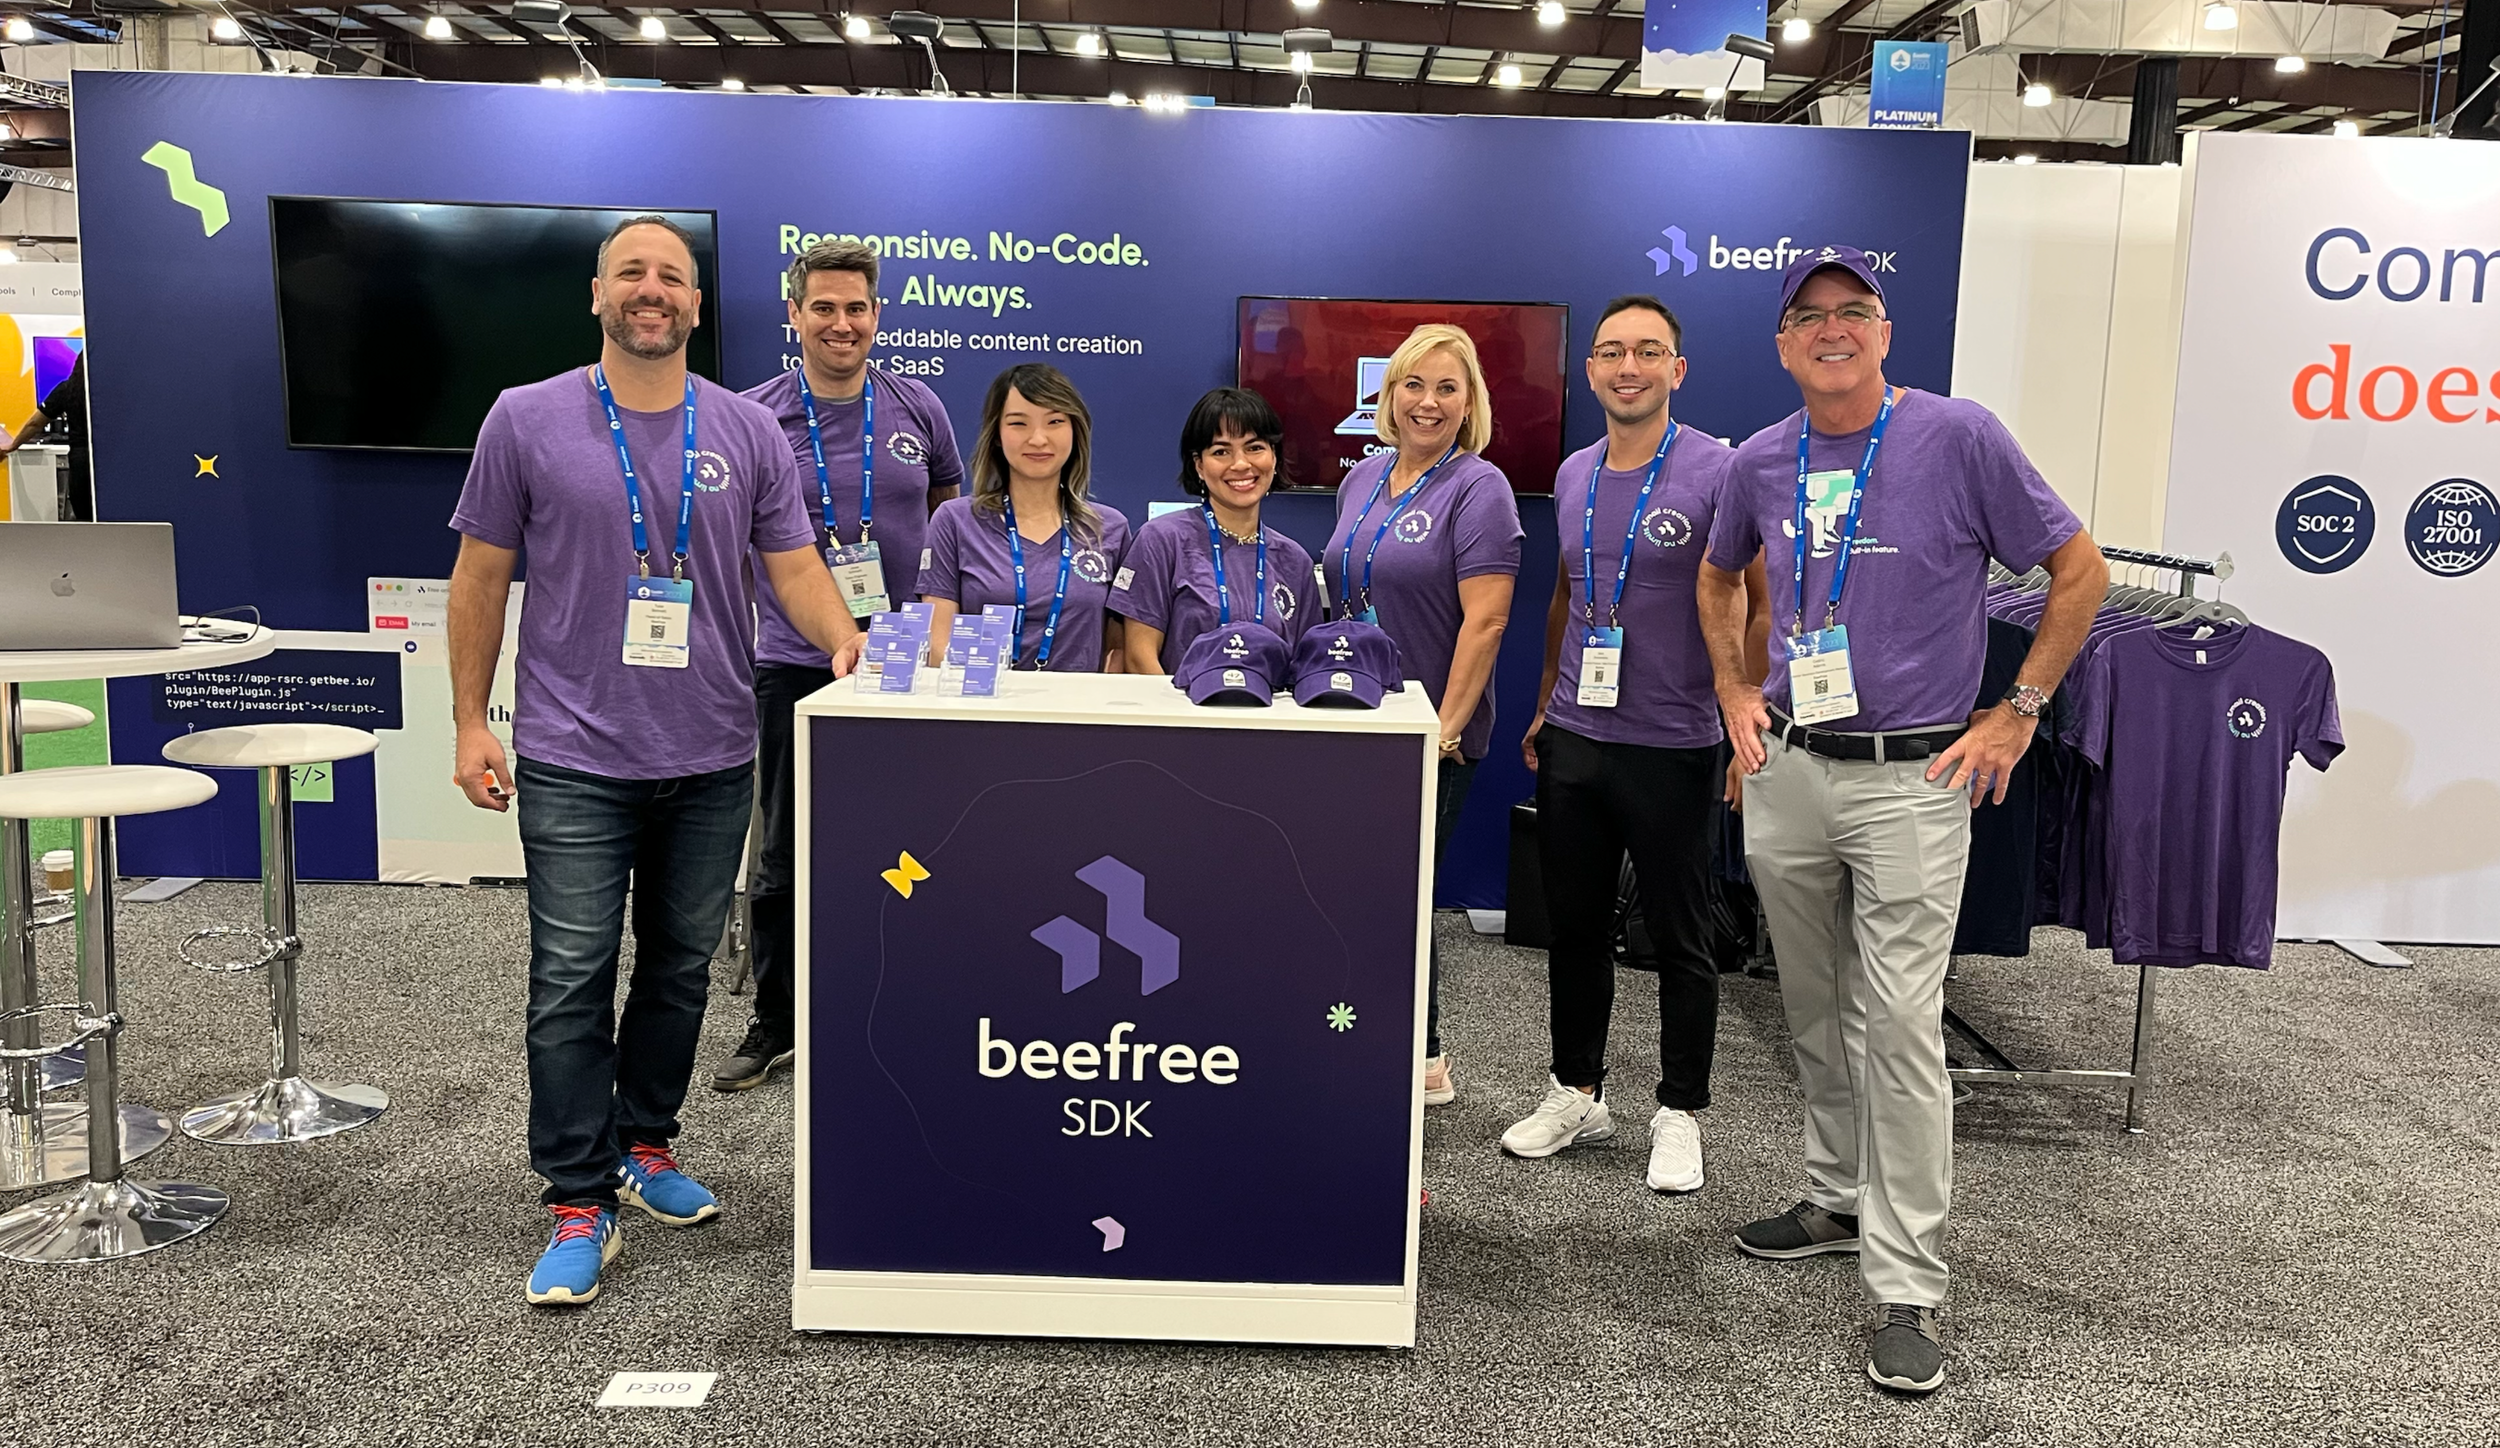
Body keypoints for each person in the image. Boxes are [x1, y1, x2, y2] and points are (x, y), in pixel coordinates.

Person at [1697, 246, 2106, 1395]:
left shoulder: (1958, 434)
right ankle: (1834, 1194)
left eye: (1854, 311)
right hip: (1791, 760)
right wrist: (1735, 693)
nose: (1831, 329)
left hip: (1913, 778)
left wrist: (2019, 711)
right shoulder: (1759, 458)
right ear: (1781, 343)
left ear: (1884, 332)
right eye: (1808, 315)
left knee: (1902, 1024)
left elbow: (2080, 571)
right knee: (1812, 999)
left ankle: (1907, 1280)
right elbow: (1720, 578)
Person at [446, 215, 867, 1310]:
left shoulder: (745, 429)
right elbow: (480, 577)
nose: (651, 290)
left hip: (713, 750)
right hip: (577, 753)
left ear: (694, 304)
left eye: (671, 277)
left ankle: (644, 1138)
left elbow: (795, 565)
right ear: (598, 294)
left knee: (680, 967)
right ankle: (577, 1193)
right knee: (571, 976)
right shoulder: (526, 418)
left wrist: (845, 644)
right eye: (632, 271)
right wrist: (468, 722)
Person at [1505, 296, 1767, 1193]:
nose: (1628, 367)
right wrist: (1546, 703)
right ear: (1592, 371)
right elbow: (1566, 600)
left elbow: (1756, 599)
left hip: (1677, 740)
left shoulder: (1719, 469)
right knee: (1573, 929)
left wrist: (1745, 715)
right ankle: (1576, 1089)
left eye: (1648, 352)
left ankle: (1680, 1109)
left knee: (1680, 934)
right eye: (1612, 352)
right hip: (1580, 733)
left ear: (1676, 370)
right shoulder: (1574, 473)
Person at [712, 240, 964, 1094]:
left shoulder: (918, 407)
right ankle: (776, 1019)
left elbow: (951, 520)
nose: (841, 323)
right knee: (783, 847)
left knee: (913, 842)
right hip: (792, 661)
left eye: (855, 308)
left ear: (877, 314)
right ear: (795, 315)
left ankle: (912, 1000)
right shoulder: (753, 416)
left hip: (902, 667)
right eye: (823, 307)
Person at [1318, 323, 1522, 1108]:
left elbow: (1489, 621)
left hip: (1428, 737)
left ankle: (1422, 1059)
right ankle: (1369, 1039)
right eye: (1413, 384)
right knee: (1357, 889)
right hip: (1355, 723)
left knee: (1397, 895)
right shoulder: (1362, 477)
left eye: (1447, 387)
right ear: (1388, 393)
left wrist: (1446, 729)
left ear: (1469, 403)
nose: (1427, 402)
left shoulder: (1481, 487)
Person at [920, 364, 1131, 672]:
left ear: (1075, 430)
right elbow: (938, 643)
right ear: (996, 435)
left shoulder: (1109, 529)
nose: (1038, 439)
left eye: (1055, 421)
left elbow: (1118, 651)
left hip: (1078, 712)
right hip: (983, 709)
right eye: (1019, 423)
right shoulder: (955, 521)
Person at [1113, 387, 1314, 671]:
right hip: (1180, 712)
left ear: (1274, 457)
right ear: (1199, 466)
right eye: (1221, 451)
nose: (1241, 464)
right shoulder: (1161, 540)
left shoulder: (1295, 561)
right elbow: (1138, 657)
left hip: (1269, 713)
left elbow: (1305, 666)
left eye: (1255, 447)